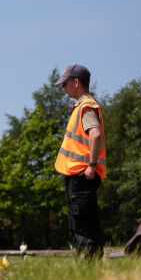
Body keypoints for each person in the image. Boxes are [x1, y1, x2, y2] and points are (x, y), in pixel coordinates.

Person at [54, 64, 106, 259]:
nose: (62, 88)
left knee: (83, 227)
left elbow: (95, 134)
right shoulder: (80, 107)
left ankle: (89, 271)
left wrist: (91, 166)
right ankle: (87, 272)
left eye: (65, 84)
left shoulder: (87, 106)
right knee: (79, 225)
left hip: (82, 176)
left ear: (76, 82)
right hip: (77, 175)